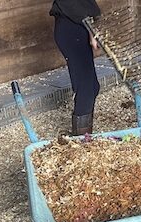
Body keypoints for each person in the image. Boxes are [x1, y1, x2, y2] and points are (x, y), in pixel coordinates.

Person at [49, 0, 101, 136]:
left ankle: (83, 135)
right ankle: (81, 142)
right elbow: (75, 7)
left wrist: (92, 31)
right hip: (71, 28)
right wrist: (91, 30)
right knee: (86, 89)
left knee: (93, 87)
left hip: (80, 27)